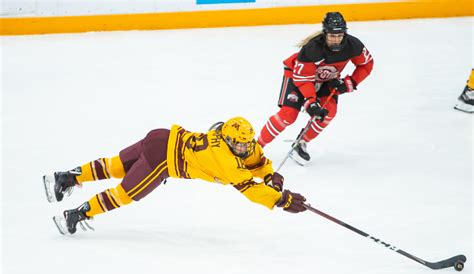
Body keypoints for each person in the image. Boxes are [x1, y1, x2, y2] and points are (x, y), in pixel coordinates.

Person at [43, 117, 308, 235]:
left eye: (245, 144)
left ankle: (66, 178)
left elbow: (256, 160)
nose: (243, 148)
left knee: (115, 166)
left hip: (161, 136)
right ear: (227, 140)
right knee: (124, 194)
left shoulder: (239, 141)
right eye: (238, 144)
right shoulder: (225, 159)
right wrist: (279, 200)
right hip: (163, 160)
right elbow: (249, 188)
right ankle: (76, 214)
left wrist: (270, 175)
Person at [257, 12, 374, 164]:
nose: (336, 39)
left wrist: (350, 82)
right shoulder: (312, 49)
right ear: (325, 33)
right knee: (288, 114)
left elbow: (366, 64)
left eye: (339, 35)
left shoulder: (354, 46)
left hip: (327, 80)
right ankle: (256, 147)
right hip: (297, 77)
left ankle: (301, 143)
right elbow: (303, 79)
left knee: (328, 113)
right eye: (332, 35)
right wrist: (311, 101)